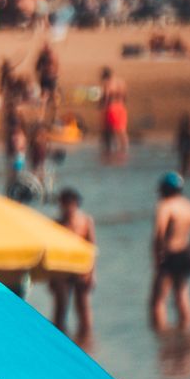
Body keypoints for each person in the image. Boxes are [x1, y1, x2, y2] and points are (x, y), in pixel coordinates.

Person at [150, 173, 190, 332]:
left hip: (170, 255)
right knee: (182, 294)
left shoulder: (165, 206)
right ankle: (186, 334)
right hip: (186, 254)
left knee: (158, 300)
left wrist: (156, 257)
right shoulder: (188, 206)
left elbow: (159, 234)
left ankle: (161, 337)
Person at [49, 188, 96, 342]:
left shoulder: (85, 221)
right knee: (60, 309)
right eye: (65, 204)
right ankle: (59, 340)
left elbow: (92, 247)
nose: (68, 208)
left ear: (76, 204)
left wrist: (92, 273)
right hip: (62, 270)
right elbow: (52, 251)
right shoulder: (57, 224)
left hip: (81, 269)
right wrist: (51, 278)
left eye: (71, 204)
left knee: (83, 308)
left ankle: (85, 341)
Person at [99, 67, 129, 161]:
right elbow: (125, 96)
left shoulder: (107, 84)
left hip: (111, 108)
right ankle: (124, 151)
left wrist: (101, 106)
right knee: (122, 131)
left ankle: (108, 152)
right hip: (121, 107)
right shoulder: (121, 82)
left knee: (107, 132)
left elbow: (106, 96)